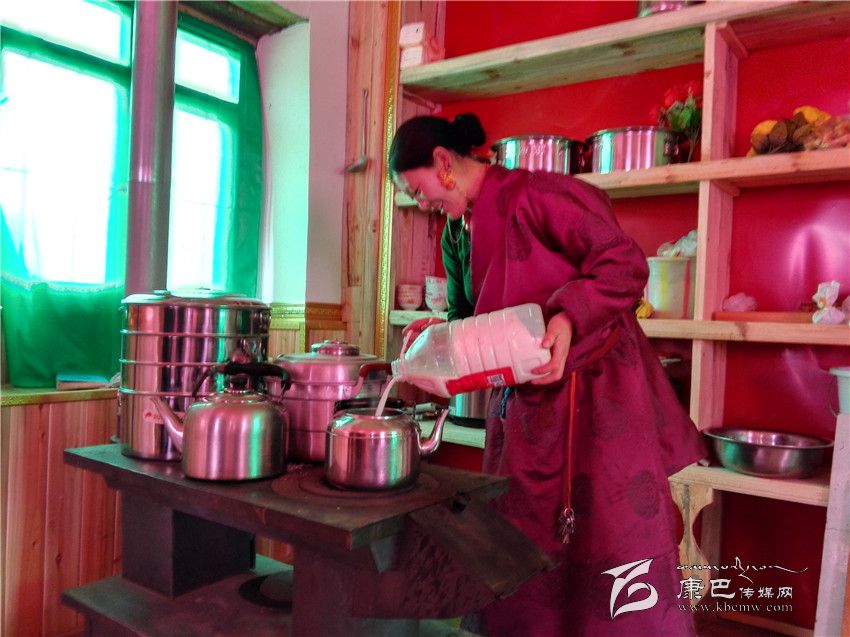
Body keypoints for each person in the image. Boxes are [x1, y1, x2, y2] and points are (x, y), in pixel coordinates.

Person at [389, 113, 707, 637]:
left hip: (595, 395)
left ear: (443, 163)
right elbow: (473, 316)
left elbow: (624, 263)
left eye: (417, 190)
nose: (421, 203)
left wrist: (568, 316)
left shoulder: (539, 195)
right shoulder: (457, 232)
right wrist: (442, 332)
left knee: (608, 535)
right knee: (522, 533)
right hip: (528, 406)